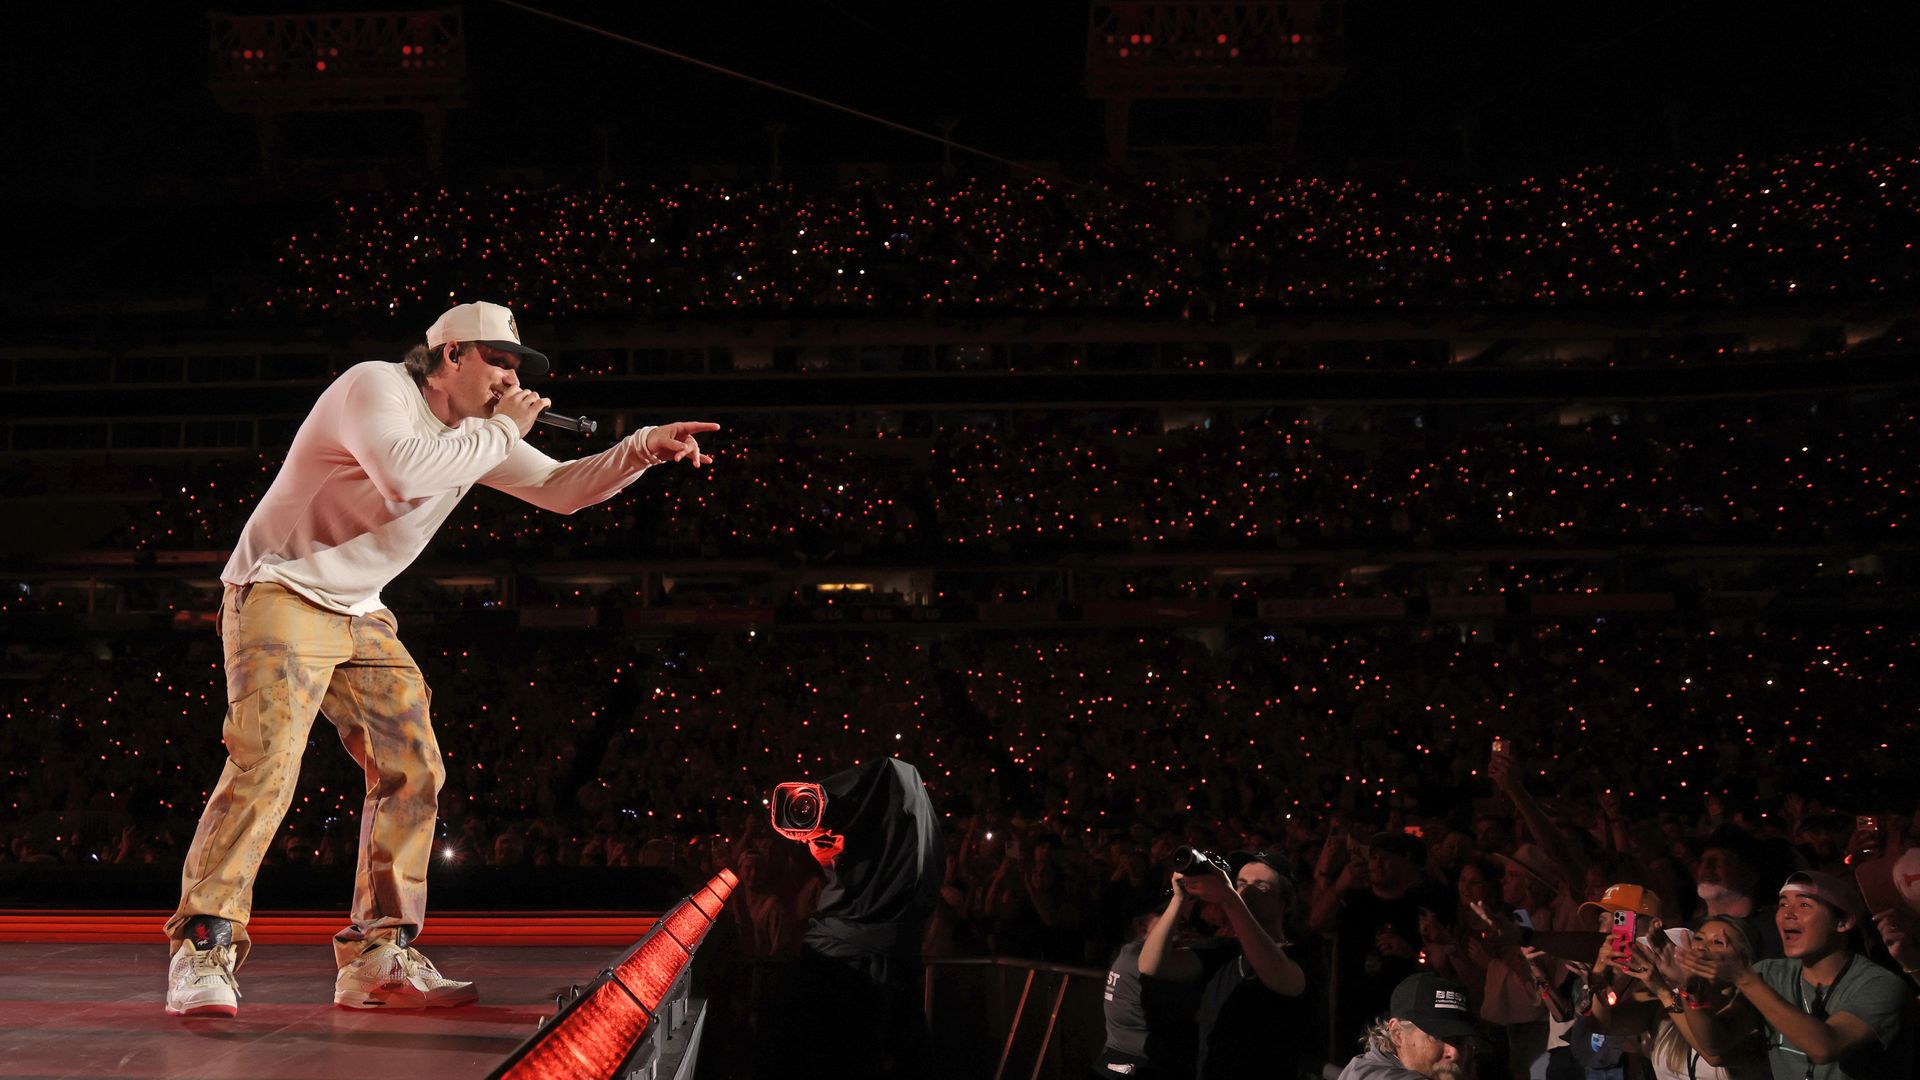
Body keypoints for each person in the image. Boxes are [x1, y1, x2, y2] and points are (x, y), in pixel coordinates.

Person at [162, 301, 720, 1017]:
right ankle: (203, 945)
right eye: (500, 363)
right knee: (267, 758)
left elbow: (559, 489)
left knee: (413, 765)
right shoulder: (375, 386)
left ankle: (377, 956)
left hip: (360, 608)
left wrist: (642, 447)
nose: (510, 380)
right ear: (451, 355)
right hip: (281, 589)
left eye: (518, 368)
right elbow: (402, 472)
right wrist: (500, 430)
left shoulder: (476, 431)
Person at [1675, 871, 1914, 1080]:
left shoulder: (1880, 984)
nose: (1788, 913)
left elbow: (1824, 1047)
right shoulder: (1769, 973)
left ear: (1843, 922)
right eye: (1782, 904)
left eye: (1804, 905)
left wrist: (1742, 976)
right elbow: (1716, 1044)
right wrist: (1691, 992)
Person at [1142, 850, 1309, 1080]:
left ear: (1286, 903)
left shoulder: (1301, 954)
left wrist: (1229, 898)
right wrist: (1179, 899)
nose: (1246, 891)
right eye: (1241, 883)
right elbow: (1152, 965)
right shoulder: (1224, 950)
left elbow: (1278, 976)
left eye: (1260, 886)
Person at [1094, 889, 1203, 1079]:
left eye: (1182, 921)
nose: (1177, 924)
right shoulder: (1141, 963)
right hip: (1142, 1065)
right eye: (1168, 914)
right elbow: (1196, 1014)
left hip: (1117, 1060)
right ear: (1142, 925)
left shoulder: (1123, 953)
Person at [1337, 972, 1480, 1080]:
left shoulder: (1366, 1067)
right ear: (1398, 1034)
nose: (1454, 1052)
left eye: (1459, 1039)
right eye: (1439, 1037)